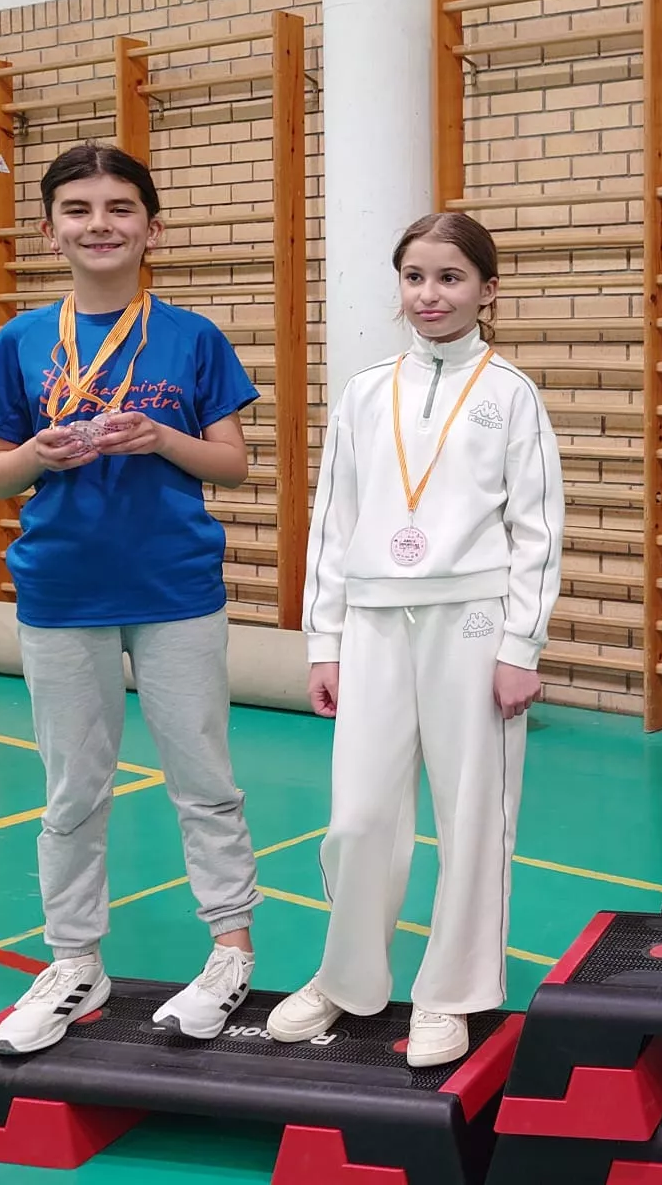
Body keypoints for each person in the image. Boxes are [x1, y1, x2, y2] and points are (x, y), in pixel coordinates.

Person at [0, 142, 263, 1053]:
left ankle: (228, 952)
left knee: (204, 781)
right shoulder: (20, 341)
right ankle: (74, 961)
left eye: (121, 208)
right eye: (80, 209)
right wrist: (36, 456)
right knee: (72, 793)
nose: (101, 224)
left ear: (152, 228)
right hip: (60, 592)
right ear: (51, 229)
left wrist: (163, 440)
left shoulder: (192, 336)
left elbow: (236, 463)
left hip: (175, 590)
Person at [269, 211, 564, 1067]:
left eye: (450, 278)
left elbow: (538, 529)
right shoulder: (365, 392)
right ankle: (345, 979)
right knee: (359, 818)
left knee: (474, 817)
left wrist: (521, 647)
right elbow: (334, 523)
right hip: (370, 624)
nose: (429, 295)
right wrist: (323, 641)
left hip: (472, 626)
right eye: (413, 277)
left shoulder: (510, 394)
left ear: (487, 289)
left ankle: (452, 994)